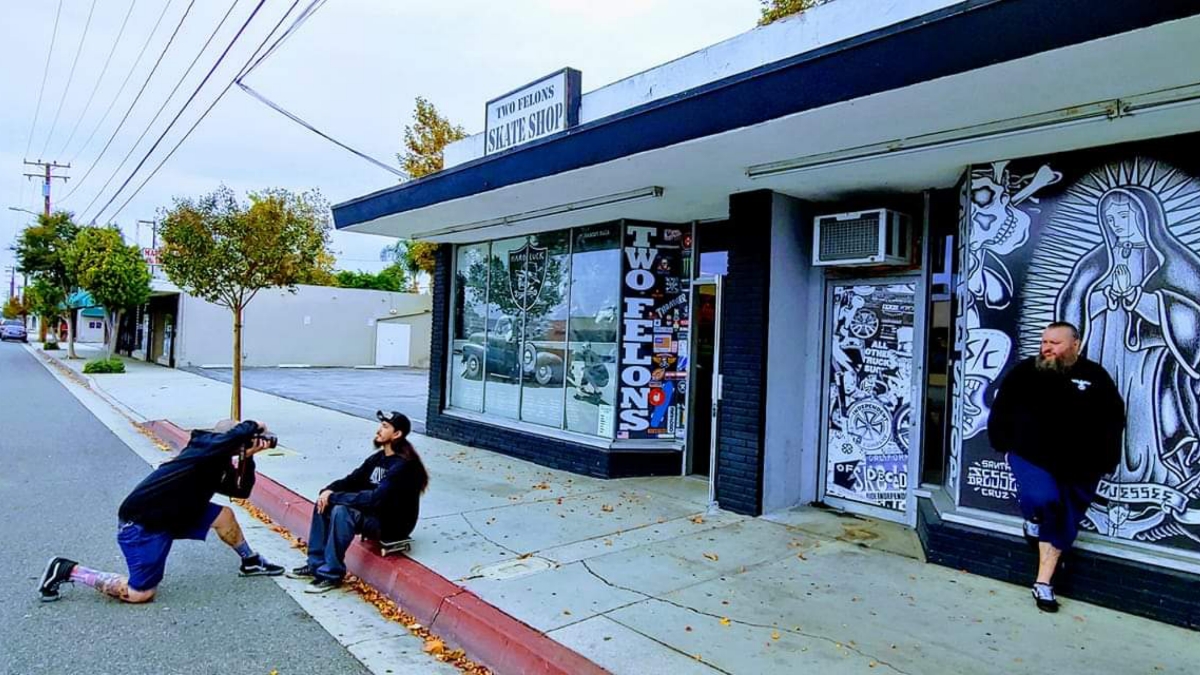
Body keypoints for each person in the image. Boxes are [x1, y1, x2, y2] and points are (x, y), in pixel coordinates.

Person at [37, 420, 283, 604]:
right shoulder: (201, 449)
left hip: (175, 513)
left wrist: (248, 458)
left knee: (224, 515)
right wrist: (256, 425)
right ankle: (69, 569)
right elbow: (233, 437)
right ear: (228, 439)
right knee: (141, 593)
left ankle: (250, 561)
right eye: (243, 441)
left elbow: (240, 492)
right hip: (143, 524)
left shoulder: (219, 461)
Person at [987, 322, 1125, 612]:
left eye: (1055, 343)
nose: (1047, 348)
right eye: (1044, 342)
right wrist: (1001, 441)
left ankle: (1043, 583)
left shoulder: (1095, 376)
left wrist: (1106, 459)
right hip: (1031, 456)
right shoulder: (1026, 372)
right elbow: (1002, 408)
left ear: (1075, 345)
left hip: (1082, 466)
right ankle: (1034, 519)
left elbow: (1113, 419)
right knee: (1043, 499)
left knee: (1064, 521)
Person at [288, 411, 429, 594]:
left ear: (397, 434)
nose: (379, 430)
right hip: (374, 516)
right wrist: (328, 491)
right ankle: (316, 564)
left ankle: (332, 574)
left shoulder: (403, 466)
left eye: (385, 427)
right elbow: (351, 480)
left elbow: (375, 499)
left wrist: (334, 498)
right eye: (381, 425)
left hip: (393, 524)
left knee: (341, 511)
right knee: (323, 503)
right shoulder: (377, 459)